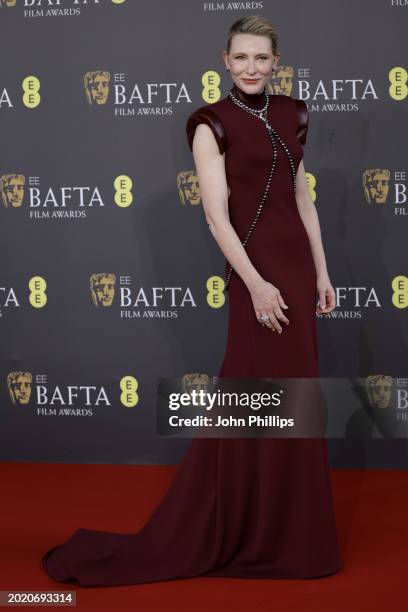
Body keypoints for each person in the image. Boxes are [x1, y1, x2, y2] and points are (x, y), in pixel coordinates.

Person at [41, 15, 342, 587]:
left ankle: (291, 532)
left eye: (262, 58)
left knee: (297, 401)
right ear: (225, 62)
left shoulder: (295, 113)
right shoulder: (210, 123)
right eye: (242, 57)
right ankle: (242, 526)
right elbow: (214, 212)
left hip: (297, 271)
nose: (252, 67)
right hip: (256, 272)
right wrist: (254, 283)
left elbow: (303, 198)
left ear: (276, 63)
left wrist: (323, 272)